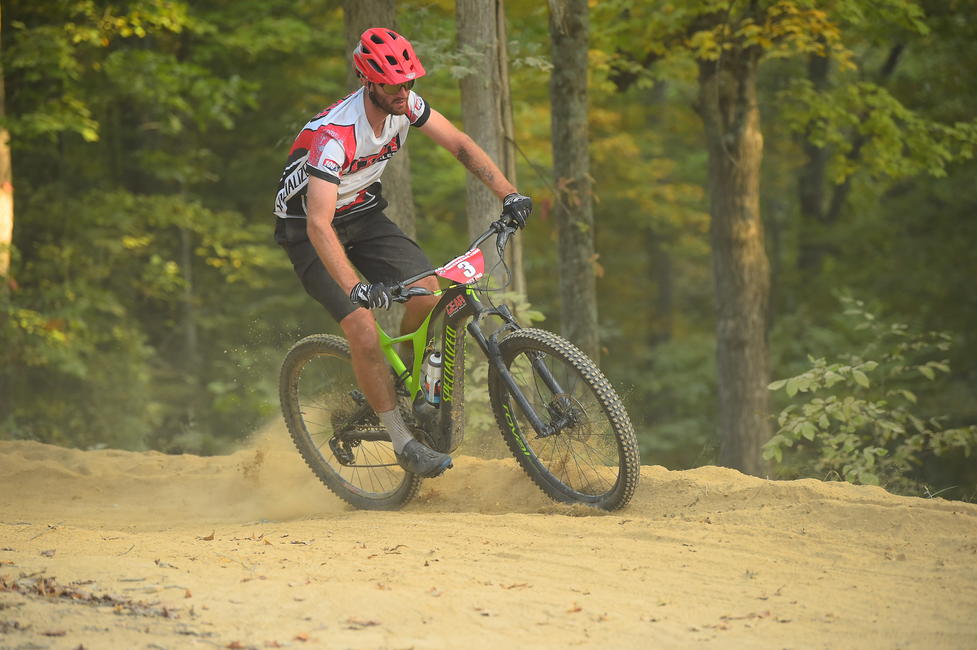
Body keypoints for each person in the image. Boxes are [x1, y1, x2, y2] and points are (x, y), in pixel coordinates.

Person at [274, 28, 532, 479]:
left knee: (427, 293)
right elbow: (318, 223)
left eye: (409, 81)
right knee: (362, 327)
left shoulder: (406, 105)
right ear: (367, 81)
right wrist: (356, 288)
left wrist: (508, 194)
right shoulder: (335, 135)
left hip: (362, 214)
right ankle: (402, 441)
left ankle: (401, 386)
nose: (403, 91)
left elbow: (460, 145)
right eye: (393, 84)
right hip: (309, 230)